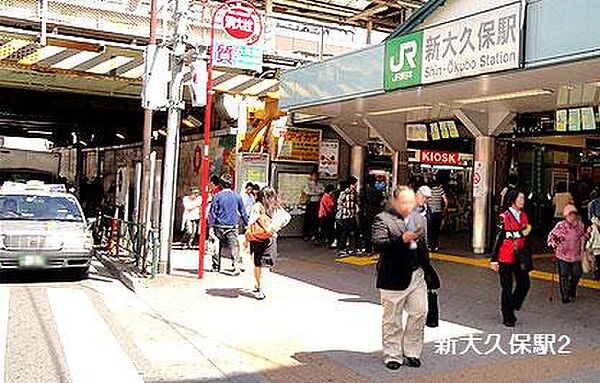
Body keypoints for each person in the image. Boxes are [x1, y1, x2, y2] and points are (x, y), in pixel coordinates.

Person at [372, 186, 430, 370]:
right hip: (393, 276)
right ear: (396, 202)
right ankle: (393, 355)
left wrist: (428, 270)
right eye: (405, 201)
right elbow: (378, 245)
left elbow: (423, 246)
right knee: (392, 318)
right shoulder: (383, 219)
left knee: (420, 312)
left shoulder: (419, 219)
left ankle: (412, 351)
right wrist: (402, 240)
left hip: (416, 273)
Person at [491, 190, 532, 327]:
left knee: (524, 283)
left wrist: (522, 233)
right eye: (521, 198)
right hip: (505, 257)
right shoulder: (504, 217)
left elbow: (527, 231)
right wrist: (494, 259)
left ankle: (512, 304)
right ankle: (508, 316)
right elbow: (497, 239)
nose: (523, 201)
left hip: (519, 256)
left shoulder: (524, 216)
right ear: (513, 200)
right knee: (507, 287)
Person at [247, 187, 286, 300]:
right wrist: (273, 229)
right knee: (265, 265)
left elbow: (251, 221)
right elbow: (285, 218)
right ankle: (260, 287)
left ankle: (258, 286)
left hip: (257, 238)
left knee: (257, 263)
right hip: (269, 238)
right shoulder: (276, 206)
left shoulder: (257, 206)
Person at [208, 174, 248, 275]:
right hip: (232, 226)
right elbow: (243, 212)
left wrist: (210, 226)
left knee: (216, 247)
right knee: (234, 247)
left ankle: (216, 266)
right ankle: (236, 267)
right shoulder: (237, 196)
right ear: (231, 184)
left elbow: (212, 212)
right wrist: (247, 224)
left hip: (218, 225)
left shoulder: (217, 196)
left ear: (221, 184)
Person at [547, 204, 586, 303]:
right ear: (565, 216)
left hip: (576, 255)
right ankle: (565, 295)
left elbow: (583, 236)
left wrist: (587, 235)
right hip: (562, 255)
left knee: (577, 274)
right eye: (570, 215)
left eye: (574, 214)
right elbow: (551, 236)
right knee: (564, 275)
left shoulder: (580, 226)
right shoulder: (561, 226)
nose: (572, 217)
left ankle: (571, 290)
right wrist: (553, 243)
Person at [361, 174, 385, 254]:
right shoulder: (377, 191)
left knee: (367, 232)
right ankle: (376, 249)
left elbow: (360, 201)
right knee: (375, 232)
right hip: (375, 213)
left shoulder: (363, 190)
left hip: (365, 213)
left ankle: (368, 250)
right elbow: (380, 201)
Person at [337, 176, 359, 256]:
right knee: (345, 232)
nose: (356, 185)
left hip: (352, 215)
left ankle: (353, 248)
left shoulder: (354, 193)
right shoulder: (345, 193)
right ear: (351, 184)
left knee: (354, 232)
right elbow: (339, 202)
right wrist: (344, 208)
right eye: (355, 184)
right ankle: (342, 249)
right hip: (346, 215)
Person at [301, 170, 324, 241]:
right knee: (308, 219)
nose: (315, 177)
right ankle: (306, 234)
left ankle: (315, 234)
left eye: (316, 176)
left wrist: (314, 192)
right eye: (314, 175)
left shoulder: (320, 184)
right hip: (310, 203)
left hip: (318, 203)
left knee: (317, 220)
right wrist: (317, 193)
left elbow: (323, 191)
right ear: (311, 176)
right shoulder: (308, 184)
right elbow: (307, 192)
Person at [428, 179, 448, 252]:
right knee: (436, 230)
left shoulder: (428, 191)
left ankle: (429, 245)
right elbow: (445, 200)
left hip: (429, 213)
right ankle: (435, 245)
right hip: (438, 213)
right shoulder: (440, 190)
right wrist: (445, 209)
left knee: (429, 229)